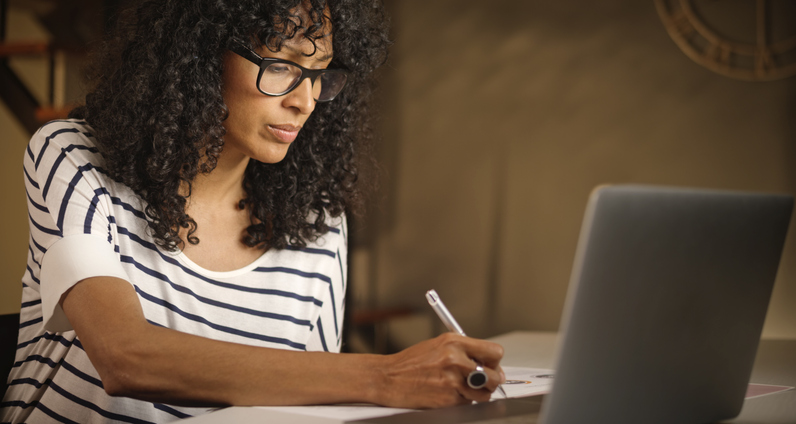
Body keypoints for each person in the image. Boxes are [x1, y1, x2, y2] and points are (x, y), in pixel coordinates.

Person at [0, 0, 505, 422]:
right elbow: (125, 357)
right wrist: (385, 376)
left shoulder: (317, 223)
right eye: (282, 65)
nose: (305, 101)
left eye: (320, 74)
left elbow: (307, 404)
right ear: (197, 56)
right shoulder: (72, 156)